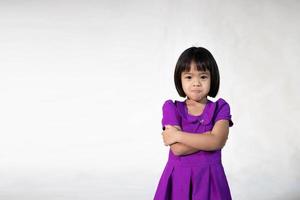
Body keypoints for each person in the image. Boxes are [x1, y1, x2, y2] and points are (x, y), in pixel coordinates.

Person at [153, 47, 234, 200]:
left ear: (212, 79)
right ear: (180, 79)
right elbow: (177, 149)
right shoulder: (172, 107)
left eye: (203, 77)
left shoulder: (220, 107)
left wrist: (177, 134)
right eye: (189, 77)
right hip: (178, 180)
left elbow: (217, 141)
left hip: (211, 179)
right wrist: (207, 137)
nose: (196, 83)